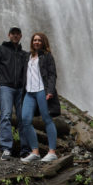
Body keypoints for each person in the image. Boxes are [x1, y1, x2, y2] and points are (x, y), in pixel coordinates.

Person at [0, 27, 30, 161]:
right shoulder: (1, 49)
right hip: (5, 86)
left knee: (23, 118)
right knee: (6, 116)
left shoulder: (24, 54)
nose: (15, 36)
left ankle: (25, 151)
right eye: (13, 34)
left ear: (21, 36)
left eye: (18, 34)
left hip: (21, 89)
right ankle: (6, 148)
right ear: (9, 35)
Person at [21, 32, 61, 163]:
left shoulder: (47, 56)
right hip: (29, 92)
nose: (36, 42)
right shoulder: (28, 56)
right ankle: (35, 152)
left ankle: (52, 152)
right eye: (34, 40)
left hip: (42, 91)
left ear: (43, 42)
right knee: (25, 120)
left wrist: (50, 91)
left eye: (39, 40)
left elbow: (52, 74)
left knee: (47, 119)